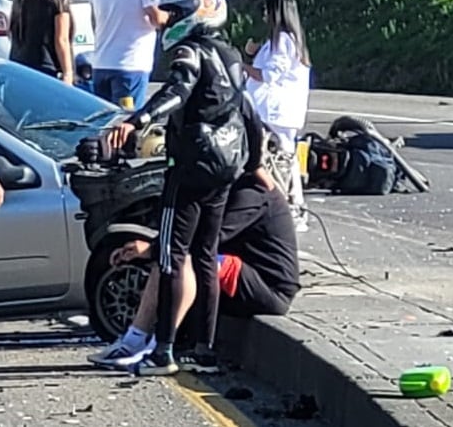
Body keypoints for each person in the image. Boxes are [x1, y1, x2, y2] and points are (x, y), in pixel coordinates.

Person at [88, 100, 299, 371]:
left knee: (181, 260)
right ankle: (146, 339)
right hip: (240, 268)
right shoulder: (227, 183)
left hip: (269, 287)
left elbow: (207, 240)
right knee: (173, 256)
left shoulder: (253, 192)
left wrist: (151, 248)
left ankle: (143, 342)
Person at [105, 0, 248, 377]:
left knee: (171, 256)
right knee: (206, 255)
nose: (168, 21)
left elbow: (177, 90)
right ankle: (205, 350)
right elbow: (245, 114)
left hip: (189, 166)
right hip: (225, 164)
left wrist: (139, 119)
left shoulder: (191, 51)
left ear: (194, 13)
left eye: (175, 12)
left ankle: (162, 351)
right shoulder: (231, 53)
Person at [244, 0, 312, 232]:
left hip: (276, 109)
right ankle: (293, 208)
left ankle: (291, 209)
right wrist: (251, 56)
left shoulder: (283, 40)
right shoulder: (283, 39)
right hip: (276, 109)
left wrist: (240, 66)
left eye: (266, 9)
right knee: (285, 158)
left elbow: (269, 75)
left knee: (281, 159)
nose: (263, 14)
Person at [90, 0, 169, 109]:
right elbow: (156, 17)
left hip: (101, 63)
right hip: (130, 64)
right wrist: (171, 17)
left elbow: (94, 19)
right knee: (126, 124)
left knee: (103, 125)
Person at [8, 0, 75, 86]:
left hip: (20, 63)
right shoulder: (58, 0)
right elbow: (61, 39)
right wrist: (68, 72)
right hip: (47, 66)